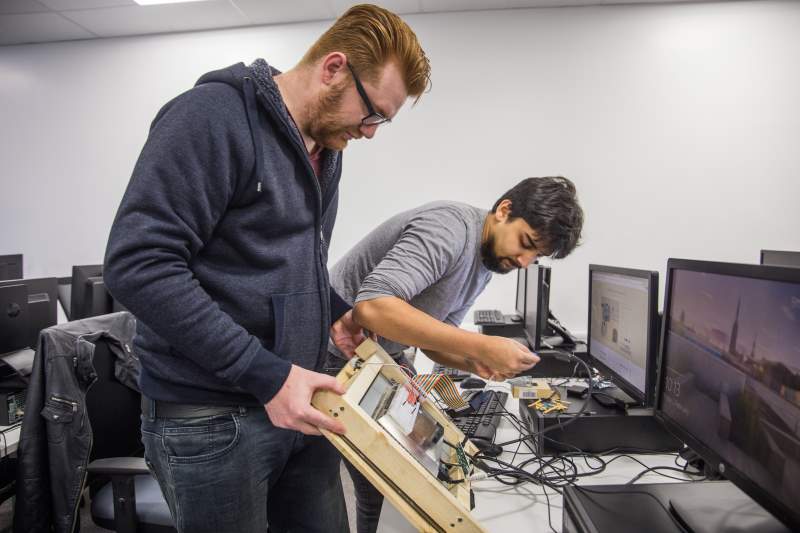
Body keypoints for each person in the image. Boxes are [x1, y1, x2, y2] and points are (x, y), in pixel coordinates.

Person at [103, 5, 430, 533]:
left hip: (296, 400)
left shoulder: (326, 148)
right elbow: (138, 265)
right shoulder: (210, 117)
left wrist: (337, 314)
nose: (371, 133)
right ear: (333, 69)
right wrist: (267, 375)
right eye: (372, 115)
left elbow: (291, 264)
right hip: (211, 421)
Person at [326, 176, 584, 533]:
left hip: (379, 359)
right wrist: (482, 346)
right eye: (526, 244)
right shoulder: (449, 229)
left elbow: (433, 339)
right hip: (333, 356)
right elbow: (371, 309)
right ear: (504, 210)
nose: (525, 262)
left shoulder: (487, 262)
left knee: (389, 489)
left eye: (535, 256)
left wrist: (474, 362)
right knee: (330, 493)